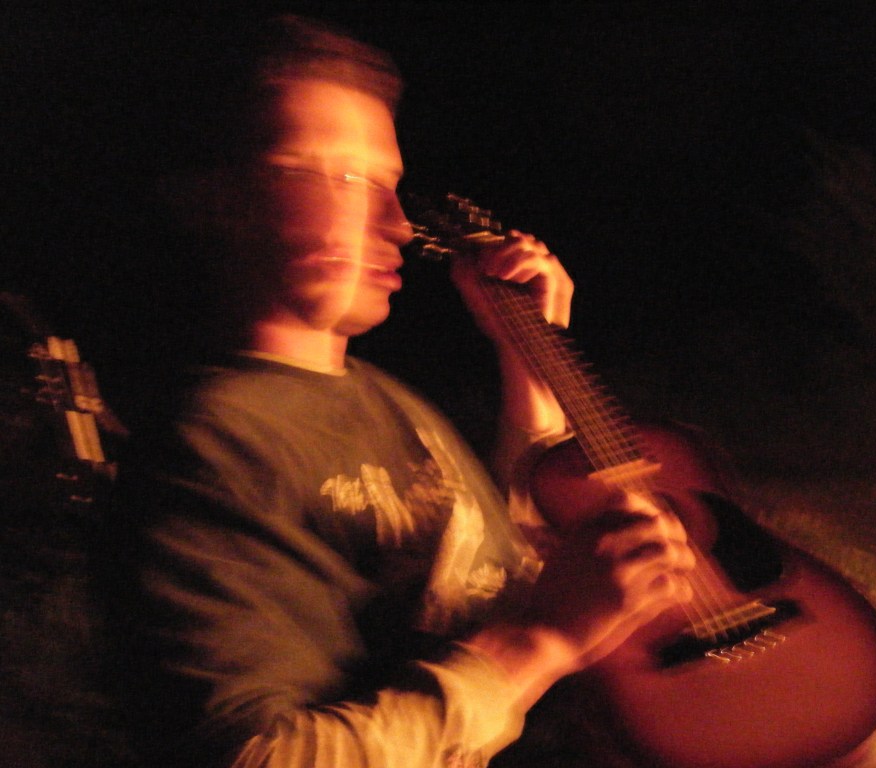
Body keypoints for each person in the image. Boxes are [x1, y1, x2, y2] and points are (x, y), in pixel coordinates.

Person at [100, 15, 695, 768]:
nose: (400, 225)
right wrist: (539, 644)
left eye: (387, 184)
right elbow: (256, 757)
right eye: (343, 179)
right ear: (219, 201)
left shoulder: (386, 402)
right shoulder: (214, 442)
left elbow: (497, 571)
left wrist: (529, 357)